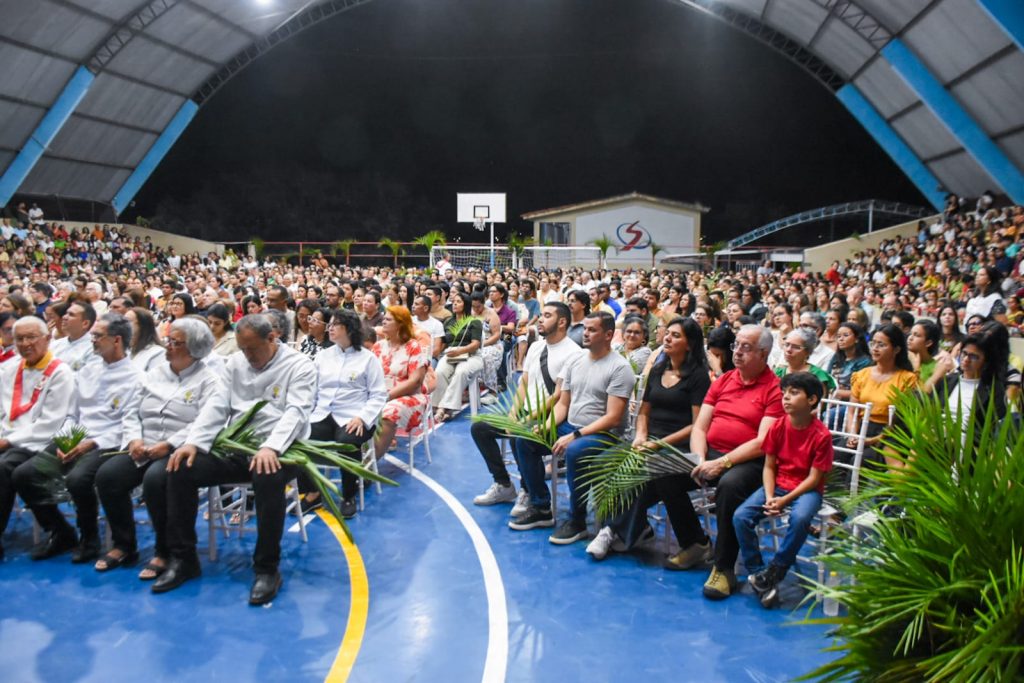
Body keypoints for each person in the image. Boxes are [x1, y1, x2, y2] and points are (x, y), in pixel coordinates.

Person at [156, 314, 317, 605]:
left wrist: (271, 447)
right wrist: (194, 442)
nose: (248, 356)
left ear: (272, 338)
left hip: (282, 447)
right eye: (243, 349)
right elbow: (217, 406)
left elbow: (297, 411)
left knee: (267, 476)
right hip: (238, 445)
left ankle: (267, 568)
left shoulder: (299, 365)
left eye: (253, 349)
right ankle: (183, 558)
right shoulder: (235, 363)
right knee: (181, 468)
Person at [94, 318, 220, 576]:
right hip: (144, 444)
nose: (168, 346)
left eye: (176, 342)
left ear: (194, 348)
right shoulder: (154, 375)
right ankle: (124, 544)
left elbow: (205, 421)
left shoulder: (209, 380)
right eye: (168, 340)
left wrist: (170, 444)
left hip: (177, 448)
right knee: (108, 476)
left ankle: (164, 550)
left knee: (155, 480)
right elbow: (131, 411)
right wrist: (134, 439)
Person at [15, 313, 143, 563]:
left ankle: (89, 538)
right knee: (25, 475)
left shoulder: (136, 377)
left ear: (117, 340)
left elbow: (128, 423)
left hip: (108, 440)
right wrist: (66, 440)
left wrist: (91, 443)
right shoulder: (88, 369)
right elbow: (73, 413)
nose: (92, 340)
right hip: (78, 433)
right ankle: (60, 531)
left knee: (78, 479)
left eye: (97, 336)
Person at [587, 317, 712, 563]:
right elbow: (644, 412)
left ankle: (611, 530)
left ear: (689, 344)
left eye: (676, 335)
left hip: (677, 444)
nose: (668, 338)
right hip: (648, 440)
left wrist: (657, 444)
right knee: (604, 462)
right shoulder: (657, 370)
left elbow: (697, 425)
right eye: (668, 333)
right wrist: (641, 436)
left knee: (642, 476)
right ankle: (628, 527)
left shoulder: (698, 377)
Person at [510, 312, 634, 545]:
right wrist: (545, 427)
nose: (585, 334)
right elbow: (563, 404)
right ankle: (541, 506)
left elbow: (613, 418)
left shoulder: (619, 367)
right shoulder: (575, 361)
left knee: (575, 450)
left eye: (592, 330)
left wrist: (575, 435)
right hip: (571, 426)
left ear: (608, 335)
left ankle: (577, 520)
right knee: (524, 438)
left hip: (605, 434)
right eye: (585, 329)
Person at [689, 324, 784, 600]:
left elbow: (763, 442)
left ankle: (724, 568)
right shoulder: (724, 380)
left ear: (763, 354)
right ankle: (693, 542)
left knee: (729, 486)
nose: (737, 352)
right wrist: (699, 459)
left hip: (750, 461)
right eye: (736, 346)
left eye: (746, 347)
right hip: (712, 453)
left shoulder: (774, 389)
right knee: (670, 474)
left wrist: (722, 463)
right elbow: (700, 427)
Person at [733, 371, 833, 608]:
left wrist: (784, 500)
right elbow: (769, 466)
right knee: (741, 516)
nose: (786, 397)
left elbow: (814, 478)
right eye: (784, 393)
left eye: (794, 393)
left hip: (806, 490)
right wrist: (770, 497)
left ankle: (777, 569)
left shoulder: (821, 435)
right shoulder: (778, 426)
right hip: (778, 484)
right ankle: (759, 573)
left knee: (800, 518)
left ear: (812, 400)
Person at [471, 302, 583, 508]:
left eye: (547, 316)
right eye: (541, 314)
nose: (540, 319)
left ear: (562, 322)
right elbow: (524, 382)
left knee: (519, 435)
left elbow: (558, 396)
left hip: (549, 417)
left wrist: (526, 419)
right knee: (480, 428)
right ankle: (503, 484)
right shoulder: (537, 347)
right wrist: (513, 414)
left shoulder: (573, 353)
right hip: (525, 412)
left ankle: (529, 490)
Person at [0, 317, 75, 560]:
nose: (25, 343)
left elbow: (51, 423)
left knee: (6, 467)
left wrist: (8, 440)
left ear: (47, 338)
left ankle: (60, 530)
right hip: (10, 435)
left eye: (32, 337)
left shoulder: (60, 372)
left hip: (42, 439)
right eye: (19, 338)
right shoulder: (10, 369)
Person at [307, 309, 388, 518]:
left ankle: (349, 495)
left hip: (354, 415)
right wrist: (307, 413)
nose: (330, 328)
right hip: (323, 413)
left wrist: (363, 417)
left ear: (349, 329)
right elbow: (312, 390)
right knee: (300, 437)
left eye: (335, 324)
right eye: (330, 324)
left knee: (347, 442)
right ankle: (312, 492)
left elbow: (378, 395)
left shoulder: (368, 359)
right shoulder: (323, 356)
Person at [849, 323, 920, 470]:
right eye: (873, 343)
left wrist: (872, 440)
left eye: (881, 345)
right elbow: (852, 411)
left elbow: (901, 422)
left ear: (896, 349)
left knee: (859, 460)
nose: (875, 348)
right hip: (861, 428)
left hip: (888, 435)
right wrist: (852, 435)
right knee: (836, 454)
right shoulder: (862, 374)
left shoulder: (907, 379)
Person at [372, 306, 429, 460]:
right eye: (384, 318)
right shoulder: (378, 347)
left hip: (409, 396)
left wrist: (387, 396)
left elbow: (415, 382)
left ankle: (370, 463)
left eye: (388, 319)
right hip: (379, 394)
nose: (383, 321)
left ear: (400, 324)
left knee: (389, 411)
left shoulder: (413, 346)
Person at [432, 292, 483, 422]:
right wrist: (436, 354)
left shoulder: (475, 322)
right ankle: (439, 405)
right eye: (454, 301)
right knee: (440, 372)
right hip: (451, 354)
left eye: (458, 301)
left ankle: (445, 408)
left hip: (471, 355)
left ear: (466, 304)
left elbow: (476, 344)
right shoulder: (449, 322)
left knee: (461, 372)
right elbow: (444, 343)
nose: (454, 304)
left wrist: (460, 351)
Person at [774, 328, 836, 395]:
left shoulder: (818, 375)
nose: (788, 350)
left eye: (796, 347)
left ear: (808, 352)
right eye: (787, 344)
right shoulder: (778, 372)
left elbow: (820, 400)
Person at [827, 322, 872, 402]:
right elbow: (827, 377)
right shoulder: (836, 357)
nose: (841, 339)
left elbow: (863, 391)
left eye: (845, 335)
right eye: (838, 336)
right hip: (831, 399)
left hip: (851, 403)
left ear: (857, 339)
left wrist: (838, 392)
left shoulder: (865, 362)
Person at [908, 320, 952, 393]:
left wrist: (916, 368)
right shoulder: (903, 358)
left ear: (928, 343)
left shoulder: (937, 367)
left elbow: (920, 394)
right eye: (910, 334)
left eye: (916, 335)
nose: (910, 338)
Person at [53, 300, 97, 372]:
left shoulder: (93, 349)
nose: (64, 317)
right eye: (66, 313)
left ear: (85, 323)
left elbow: (87, 376)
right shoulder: (55, 344)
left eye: (71, 314)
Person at [125, 306, 165, 372]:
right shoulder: (127, 351)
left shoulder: (158, 353)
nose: (123, 325)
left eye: (127, 321)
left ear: (142, 326)